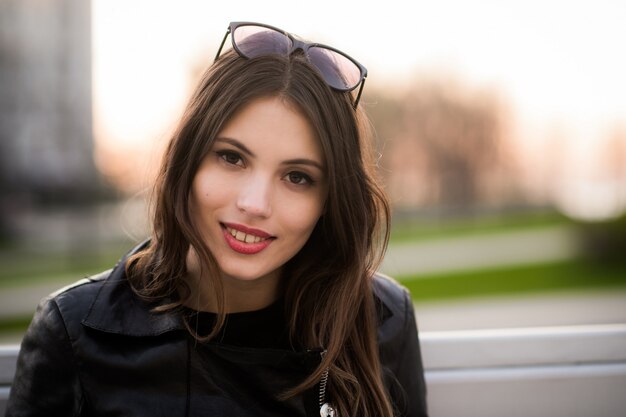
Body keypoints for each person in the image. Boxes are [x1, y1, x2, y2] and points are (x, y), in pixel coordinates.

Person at [7, 21, 428, 417]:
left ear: (331, 200)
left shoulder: (380, 319)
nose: (255, 203)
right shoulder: (75, 334)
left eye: (298, 177)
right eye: (231, 157)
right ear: (187, 161)